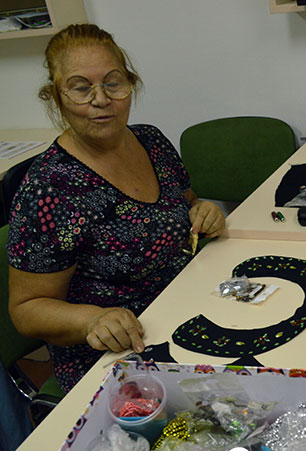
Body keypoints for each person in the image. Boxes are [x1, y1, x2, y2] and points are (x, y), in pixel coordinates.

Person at [6, 24, 225, 394]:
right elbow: (26, 308)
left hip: (184, 309)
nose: (101, 99)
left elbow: (188, 204)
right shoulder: (50, 188)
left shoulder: (151, 141)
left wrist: (204, 212)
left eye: (113, 83)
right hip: (115, 353)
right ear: (57, 97)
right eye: (80, 88)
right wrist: (94, 320)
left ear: (130, 85)